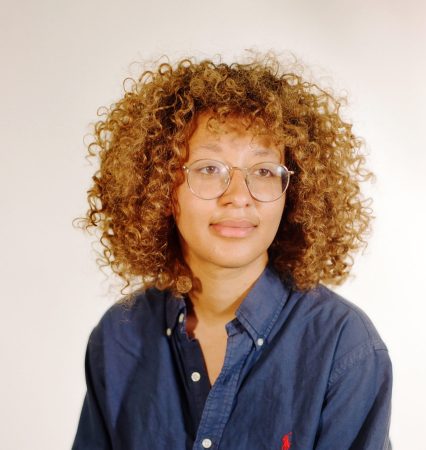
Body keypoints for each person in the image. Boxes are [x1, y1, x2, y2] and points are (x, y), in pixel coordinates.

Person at [73, 54, 392, 450]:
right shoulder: (119, 338)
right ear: (161, 188)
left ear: (292, 193)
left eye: (263, 171)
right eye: (209, 169)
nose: (239, 198)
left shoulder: (343, 348)